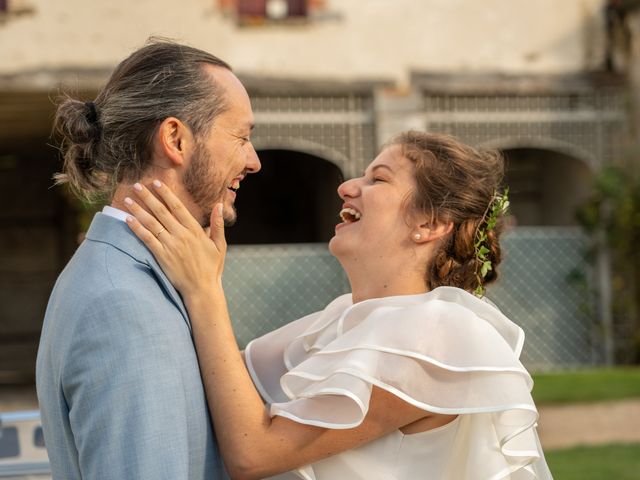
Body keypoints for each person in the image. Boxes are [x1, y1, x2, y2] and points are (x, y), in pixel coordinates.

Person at [125, 130, 553, 479]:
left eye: (378, 179)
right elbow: (217, 381)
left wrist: (205, 289)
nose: (347, 187)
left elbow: (253, 454)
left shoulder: (436, 334)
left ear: (431, 223)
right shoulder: (339, 318)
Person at [36, 39, 260, 479]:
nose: (253, 161)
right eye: (242, 136)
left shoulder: (134, 277)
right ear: (175, 138)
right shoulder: (121, 303)